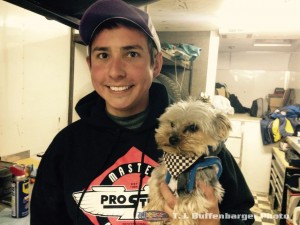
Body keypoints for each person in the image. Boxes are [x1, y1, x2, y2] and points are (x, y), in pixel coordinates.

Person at [30, 0, 255, 224]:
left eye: (131, 54)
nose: (116, 72)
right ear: (90, 65)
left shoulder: (204, 147)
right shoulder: (66, 146)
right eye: (103, 55)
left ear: (156, 64)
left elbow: (243, 216)